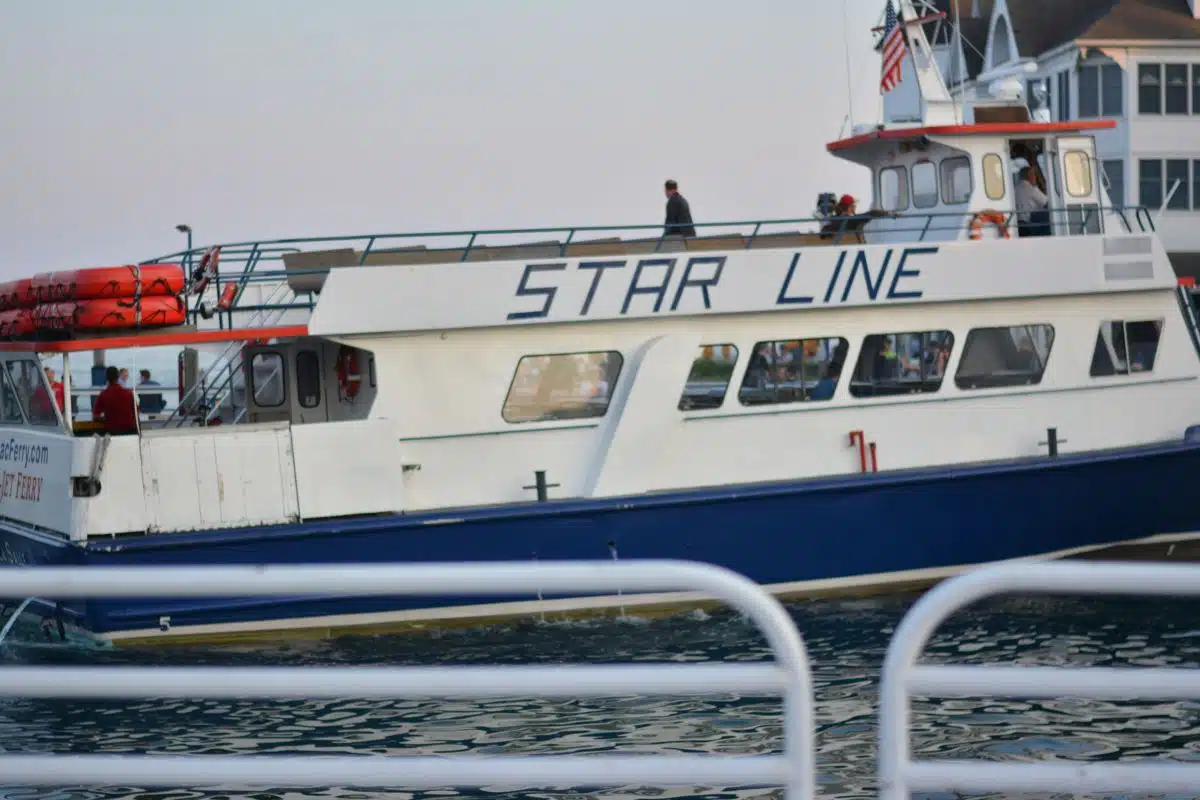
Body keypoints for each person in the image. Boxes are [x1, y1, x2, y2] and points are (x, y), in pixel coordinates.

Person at [819, 194, 897, 239]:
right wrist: (890, 214)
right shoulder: (852, 220)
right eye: (854, 205)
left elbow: (823, 232)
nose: (855, 207)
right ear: (850, 207)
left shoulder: (833, 220)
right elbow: (872, 213)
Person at [93, 366, 138, 435]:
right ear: (118, 377)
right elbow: (136, 411)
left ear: (106, 378)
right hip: (130, 430)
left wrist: (107, 419)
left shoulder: (103, 394)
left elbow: (96, 416)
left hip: (113, 431)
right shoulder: (129, 393)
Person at [1015, 166, 1050, 237]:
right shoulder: (1031, 189)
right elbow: (1047, 202)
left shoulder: (1015, 188)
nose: (1035, 177)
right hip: (1030, 225)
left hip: (1019, 225)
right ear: (1029, 176)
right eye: (1034, 174)